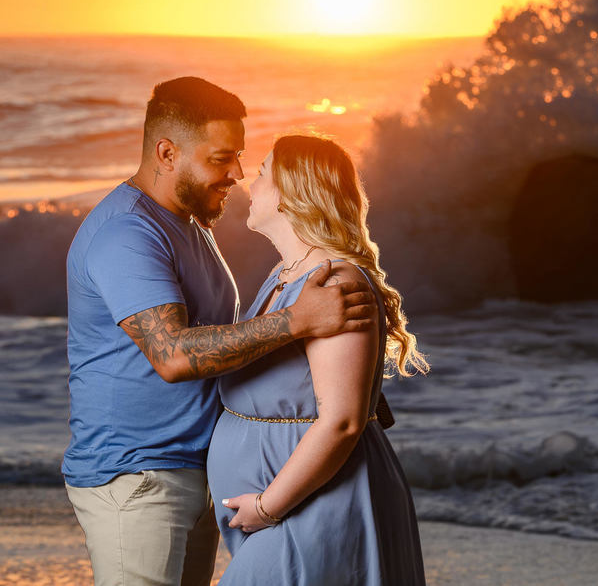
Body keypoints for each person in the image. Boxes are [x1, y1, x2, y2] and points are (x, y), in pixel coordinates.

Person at [64, 77, 376, 586]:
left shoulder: (190, 223)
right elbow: (175, 357)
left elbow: (231, 343)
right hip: (138, 477)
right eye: (220, 158)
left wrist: (346, 382)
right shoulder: (126, 233)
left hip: (188, 471)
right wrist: (298, 320)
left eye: (241, 158)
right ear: (167, 153)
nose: (235, 173)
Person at [208, 134, 427, 585]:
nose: (250, 180)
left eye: (263, 172)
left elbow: (344, 421)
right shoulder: (287, 273)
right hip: (286, 504)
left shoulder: (334, 282)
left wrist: (268, 507)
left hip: (311, 504)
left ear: (291, 193)